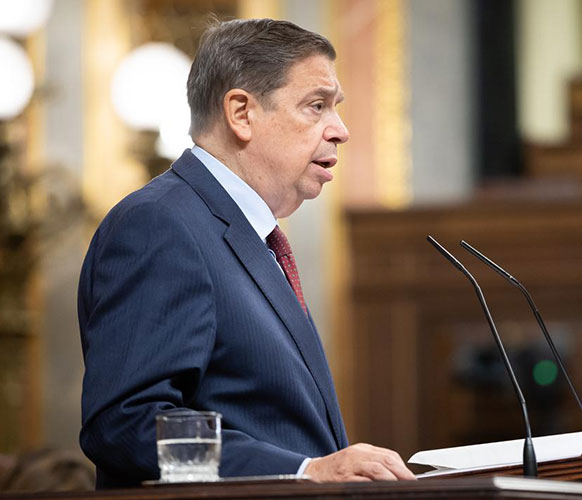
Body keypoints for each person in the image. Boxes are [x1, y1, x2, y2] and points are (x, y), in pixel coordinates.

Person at [78, 18, 415, 488]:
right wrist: (304, 471)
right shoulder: (161, 225)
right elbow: (125, 423)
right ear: (241, 113)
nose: (340, 130)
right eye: (316, 106)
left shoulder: (248, 237)